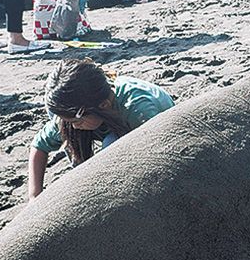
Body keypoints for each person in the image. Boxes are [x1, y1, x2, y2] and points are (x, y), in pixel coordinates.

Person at [27, 58, 174, 199]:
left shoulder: (138, 110)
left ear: (103, 105)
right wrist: (34, 196)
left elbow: (160, 158)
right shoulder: (80, 113)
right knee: (65, 128)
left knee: (110, 144)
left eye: (74, 121)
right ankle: (82, 167)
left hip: (154, 135)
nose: (73, 126)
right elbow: (39, 146)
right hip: (98, 115)